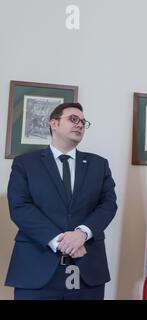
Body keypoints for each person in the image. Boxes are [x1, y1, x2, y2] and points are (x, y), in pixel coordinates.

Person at [5, 102, 117, 300]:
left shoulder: (99, 164)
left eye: (83, 122)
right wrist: (61, 241)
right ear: (53, 124)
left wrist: (82, 234)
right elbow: (20, 207)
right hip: (36, 269)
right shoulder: (25, 163)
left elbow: (108, 205)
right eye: (73, 119)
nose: (80, 125)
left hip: (87, 270)